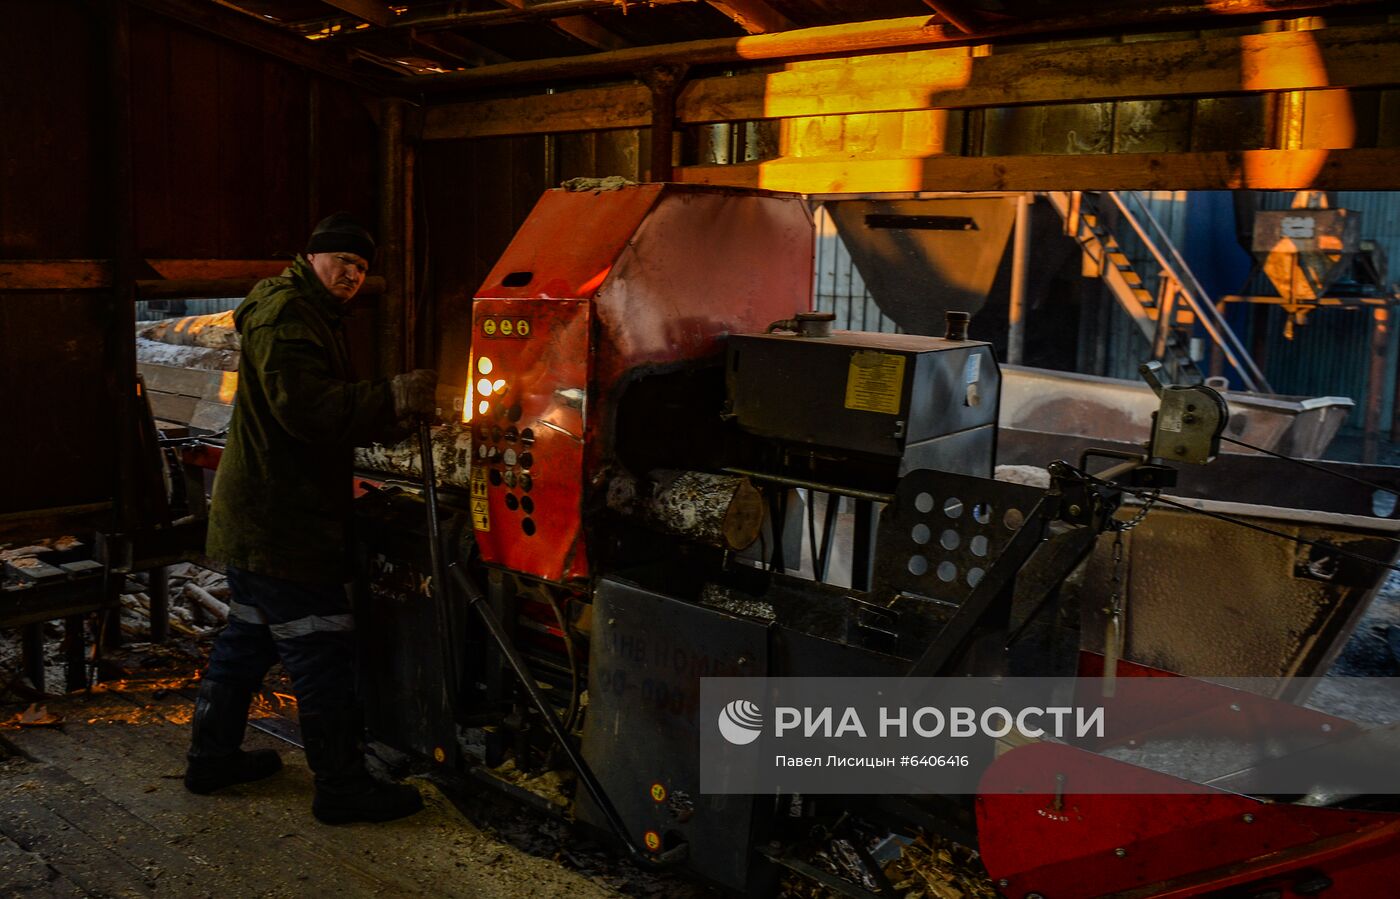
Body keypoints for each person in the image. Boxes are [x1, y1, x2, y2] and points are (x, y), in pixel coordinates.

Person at [185, 213, 437, 825]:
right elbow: (306, 408)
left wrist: (382, 411)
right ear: (312, 257)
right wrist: (393, 396)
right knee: (322, 646)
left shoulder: (304, 308)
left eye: (361, 269)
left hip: (261, 510)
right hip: (281, 518)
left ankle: (210, 758)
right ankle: (342, 787)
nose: (351, 276)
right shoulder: (289, 316)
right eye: (342, 263)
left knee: (247, 636)